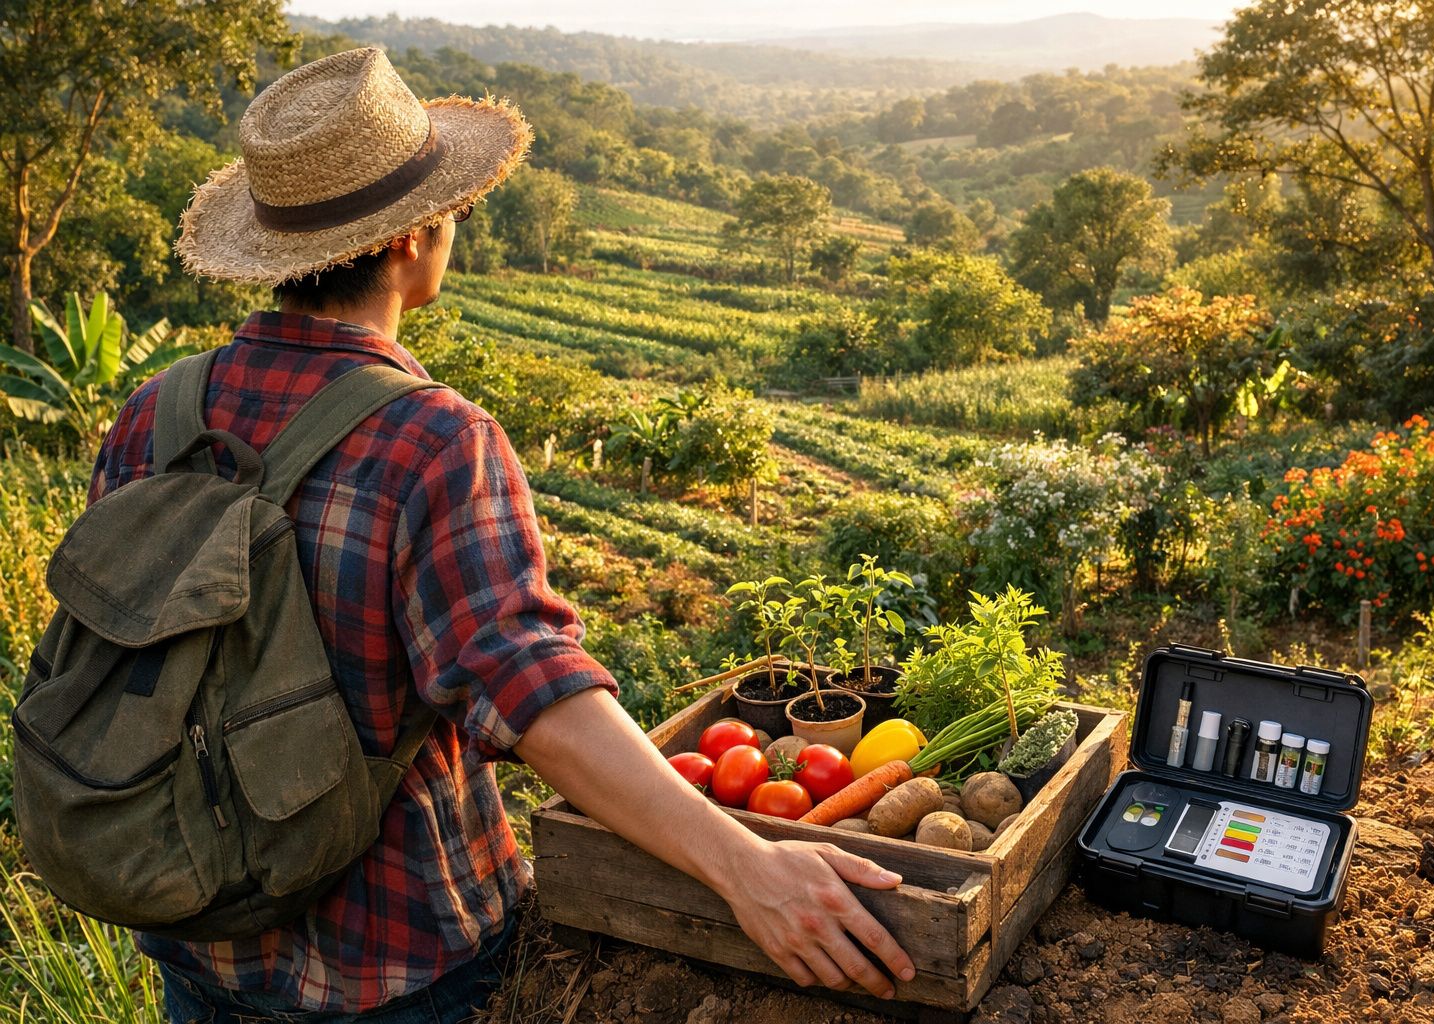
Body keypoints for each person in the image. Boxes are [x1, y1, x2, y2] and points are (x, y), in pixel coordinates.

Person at [90, 47, 914, 1023]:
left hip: (199, 942)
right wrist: (746, 865)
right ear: (409, 240)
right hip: (398, 967)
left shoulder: (157, 411)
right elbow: (534, 694)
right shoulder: (433, 440)